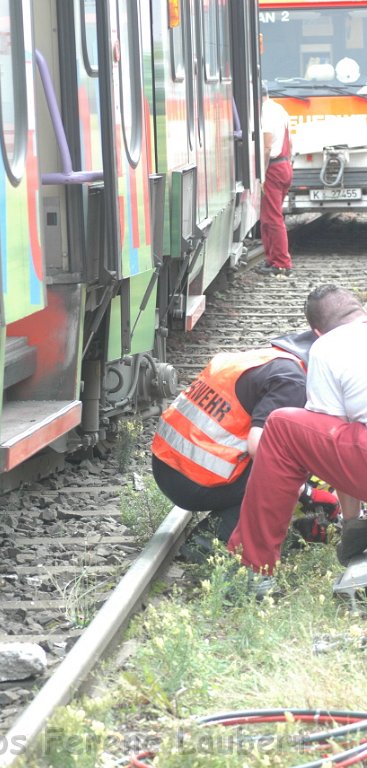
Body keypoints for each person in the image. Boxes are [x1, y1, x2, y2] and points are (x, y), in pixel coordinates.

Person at [228, 285, 367, 593]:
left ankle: (254, 569)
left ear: (317, 331)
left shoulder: (327, 346)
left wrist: (352, 522)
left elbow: (333, 441)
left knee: (281, 429)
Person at [151, 330, 316, 549]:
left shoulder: (264, 358)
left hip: (164, 464)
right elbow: (262, 450)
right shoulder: (293, 380)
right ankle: (207, 543)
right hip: (193, 480)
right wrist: (307, 492)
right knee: (286, 474)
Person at [256, 84, 293, 277]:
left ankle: (281, 262)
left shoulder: (266, 113)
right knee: (268, 216)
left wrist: (261, 173)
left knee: (273, 217)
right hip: (285, 164)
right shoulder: (280, 109)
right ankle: (272, 259)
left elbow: (267, 147)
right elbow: (291, 141)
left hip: (273, 167)